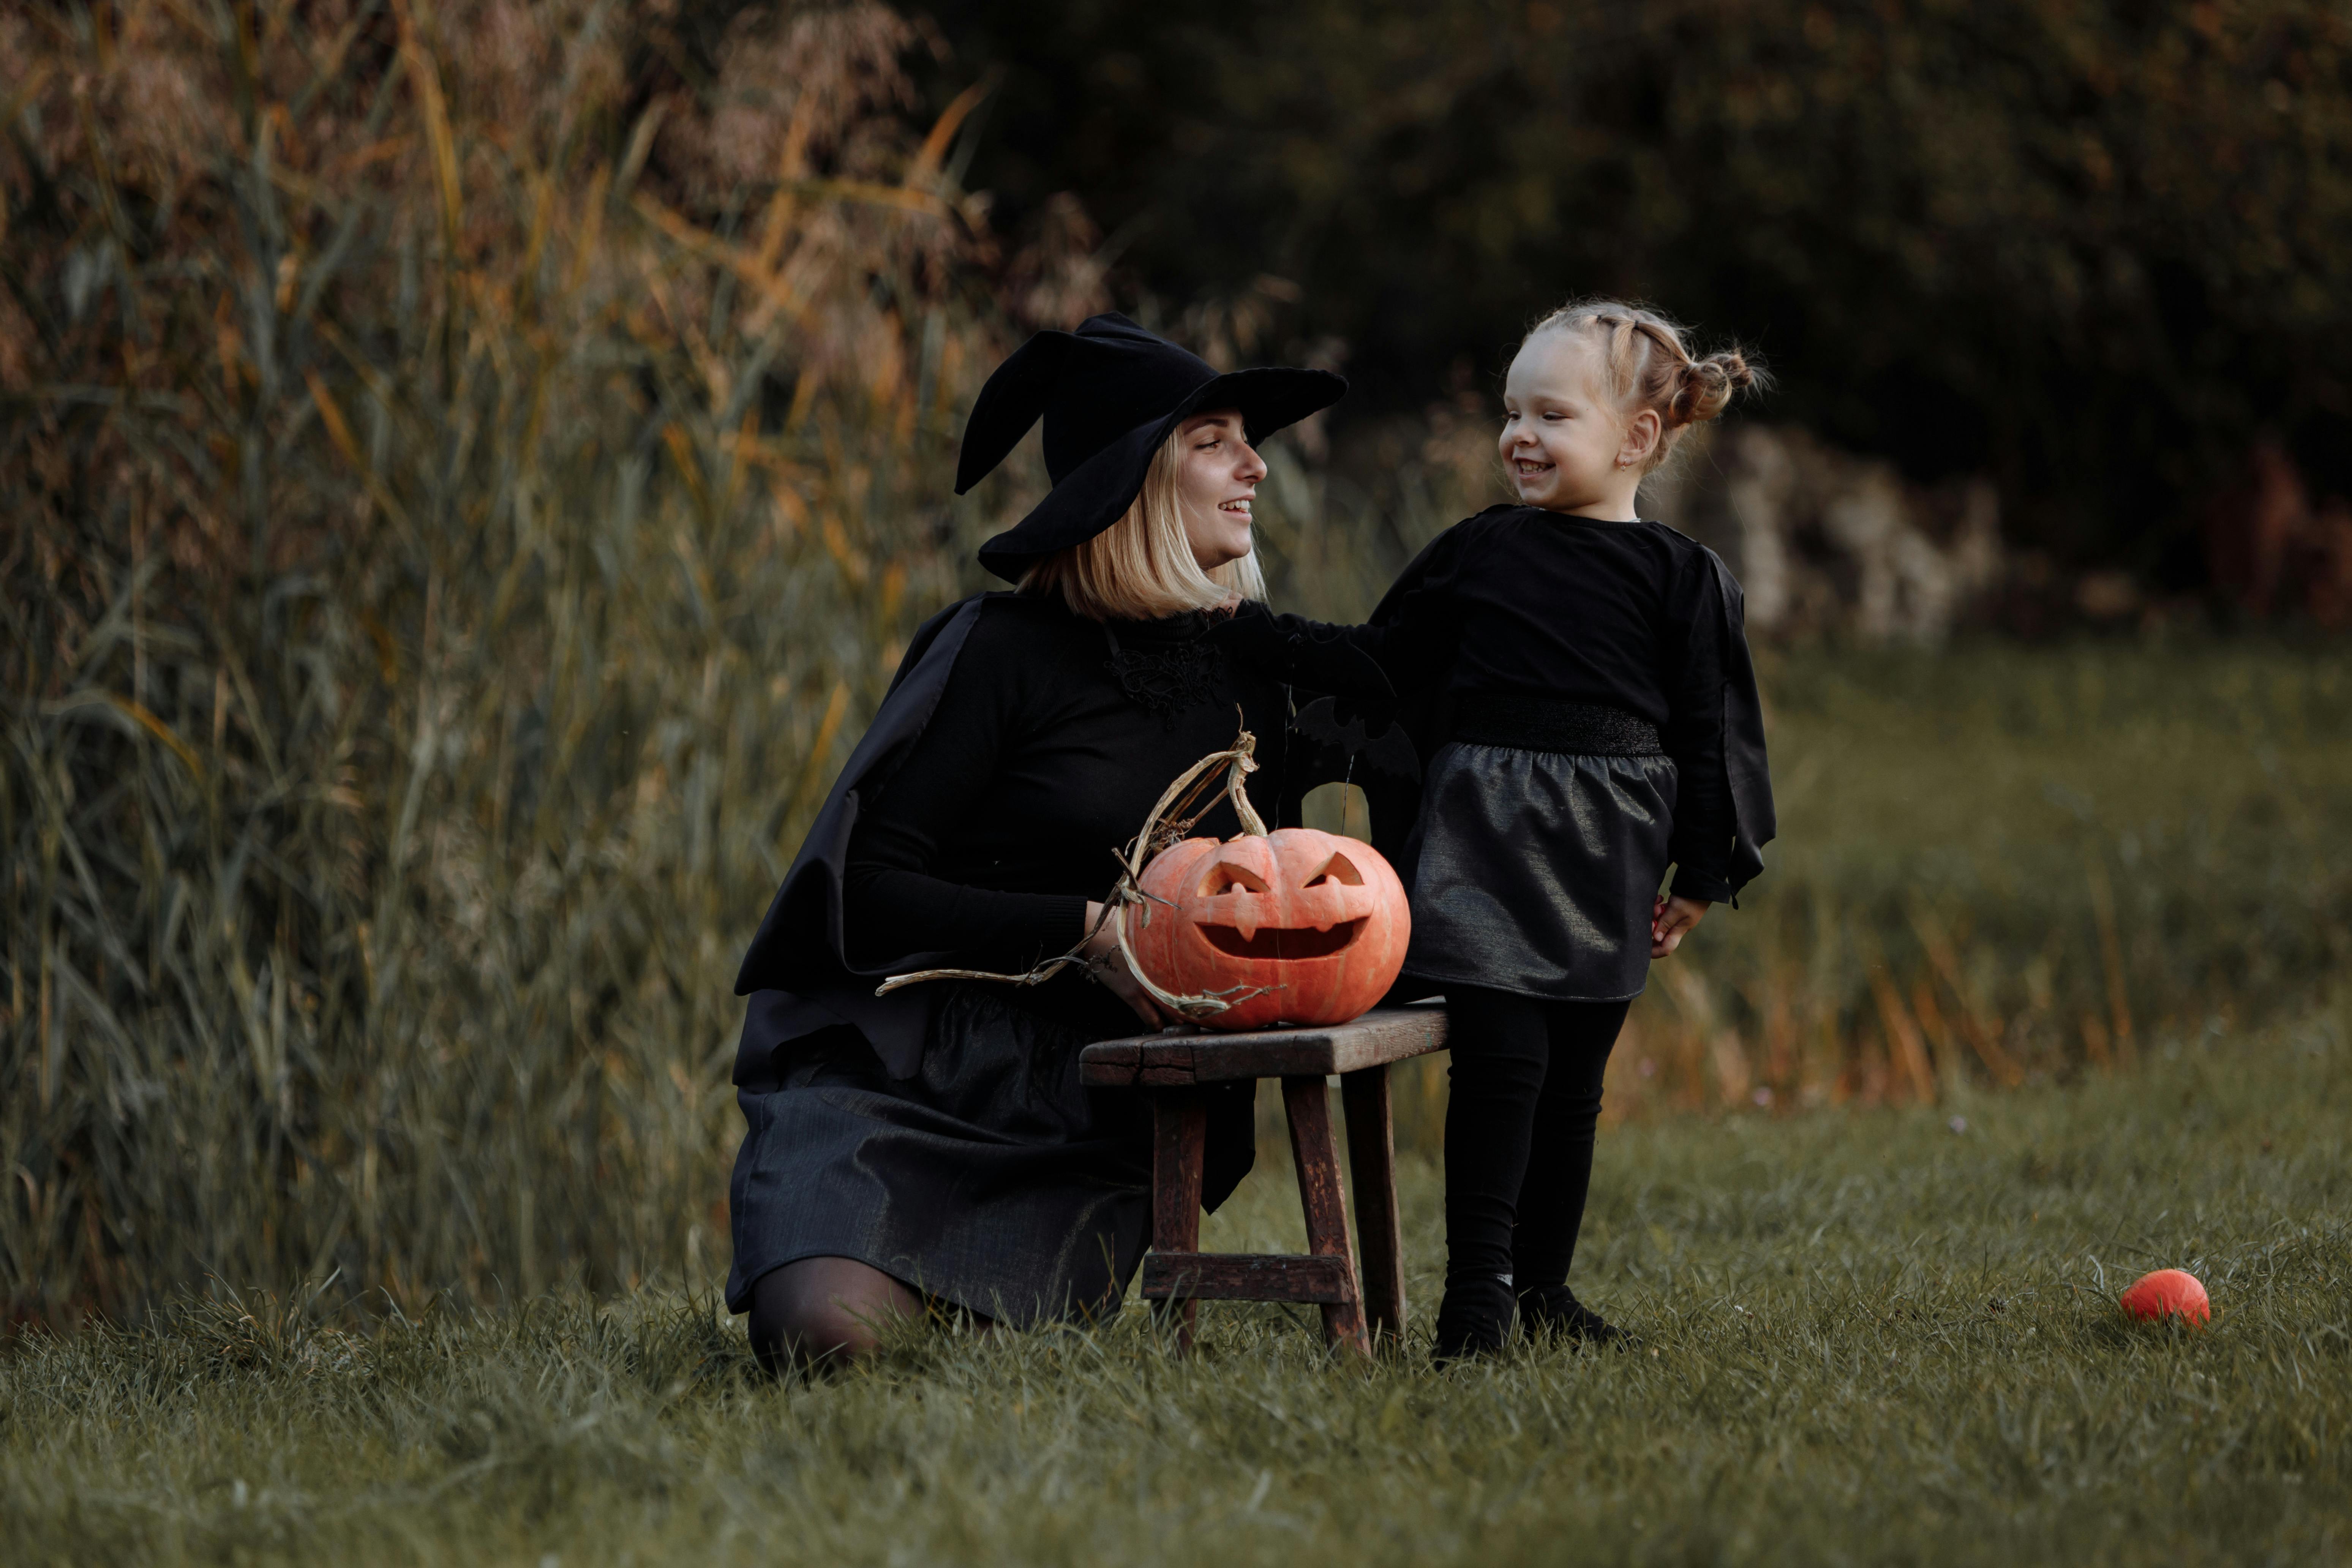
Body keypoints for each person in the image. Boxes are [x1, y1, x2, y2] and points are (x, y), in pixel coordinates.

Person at [724, 314, 1359, 1369]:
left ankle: (995, 1286)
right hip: (911, 1076)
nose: (1254, 464)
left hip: (1092, 1105)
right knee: (823, 1335)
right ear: (1131, 479)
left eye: (1247, 438)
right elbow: (870, 887)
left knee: (971, 1350)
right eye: (1212, 439)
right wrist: (1087, 931)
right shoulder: (997, 649)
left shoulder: (1255, 676)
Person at [1222, 300, 1777, 1361]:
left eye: (1550, 414)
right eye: (1510, 411)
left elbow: (1710, 735)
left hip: (1607, 856)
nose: (1518, 434)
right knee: (1497, 1070)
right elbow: (1384, 659)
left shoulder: (1681, 578)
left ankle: (1544, 1287)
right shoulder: (1481, 551)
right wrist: (1262, 636)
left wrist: (1699, 869)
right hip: (1481, 846)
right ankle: (1473, 1301)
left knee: (1573, 1090)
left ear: (1636, 439)